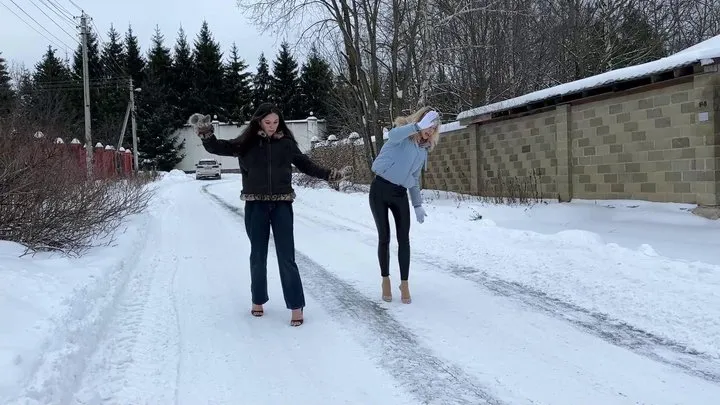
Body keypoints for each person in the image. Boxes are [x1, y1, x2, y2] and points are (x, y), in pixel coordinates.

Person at [188, 103, 350, 326]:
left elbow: (306, 165)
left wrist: (330, 174)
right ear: (258, 122)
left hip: (282, 205)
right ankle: (258, 299)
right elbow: (217, 147)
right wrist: (206, 132)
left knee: (287, 256)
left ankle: (296, 305)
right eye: (268, 122)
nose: (272, 126)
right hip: (255, 206)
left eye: (275, 122)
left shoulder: (286, 144)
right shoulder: (246, 143)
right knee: (258, 255)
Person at [369, 106, 441, 304]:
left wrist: (417, 204)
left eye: (434, 128)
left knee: (404, 240)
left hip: (399, 194)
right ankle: (385, 280)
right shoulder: (401, 135)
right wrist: (417, 126)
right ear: (420, 122)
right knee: (384, 237)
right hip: (380, 190)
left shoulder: (423, 151)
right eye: (428, 125)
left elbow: (414, 179)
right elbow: (392, 135)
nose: (430, 131)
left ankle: (404, 283)